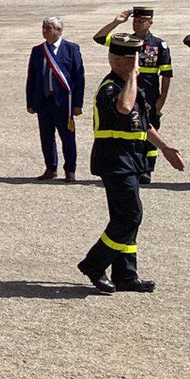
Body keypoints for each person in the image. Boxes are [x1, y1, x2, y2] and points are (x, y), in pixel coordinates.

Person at [77, 33, 184, 295]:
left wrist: (165, 148)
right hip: (114, 161)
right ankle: (94, 264)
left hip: (131, 161)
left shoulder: (130, 84)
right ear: (119, 60)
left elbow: (143, 123)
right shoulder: (112, 87)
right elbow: (124, 109)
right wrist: (134, 76)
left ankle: (125, 274)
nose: (139, 63)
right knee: (131, 215)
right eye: (135, 59)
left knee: (126, 218)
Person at [94, 7, 172, 184]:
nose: (137, 23)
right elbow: (99, 37)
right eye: (135, 20)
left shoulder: (159, 45)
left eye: (141, 20)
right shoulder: (125, 42)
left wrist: (162, 98)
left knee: (150, 130)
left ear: (150, 22)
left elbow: (166, 73)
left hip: (150, 95)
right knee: (131, 128)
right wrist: (117, 22)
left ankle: (147, 168)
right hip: (126, 91)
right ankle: (134, 167)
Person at [25, 17, 85, 182]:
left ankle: (70, 170)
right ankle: (51, 168)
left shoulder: (71, 49)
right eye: (43, 28)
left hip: (64, 103)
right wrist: (30, 102)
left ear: (59, 31)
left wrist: (78, 104)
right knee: (46, 138)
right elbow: (32, 77)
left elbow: (79, 78)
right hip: (43, 101)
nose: (45, 31)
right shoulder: (38, 50)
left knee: (67, 138)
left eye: (49, 28)